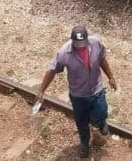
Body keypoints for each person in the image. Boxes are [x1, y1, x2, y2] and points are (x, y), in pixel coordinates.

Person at [36, 26, 118, 158]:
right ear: (72, 40)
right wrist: (41, 90)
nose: (80, 47)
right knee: (81, 122)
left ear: (87, 38)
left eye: (83, 44)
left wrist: (111, 77)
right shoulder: (64, 53)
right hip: (78, 95)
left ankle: (101, 122)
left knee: (102, 112)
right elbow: (52, 70)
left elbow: (102, 59)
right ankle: (84, 144)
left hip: (96, 89)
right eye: (77, 44)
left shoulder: (96, 43)